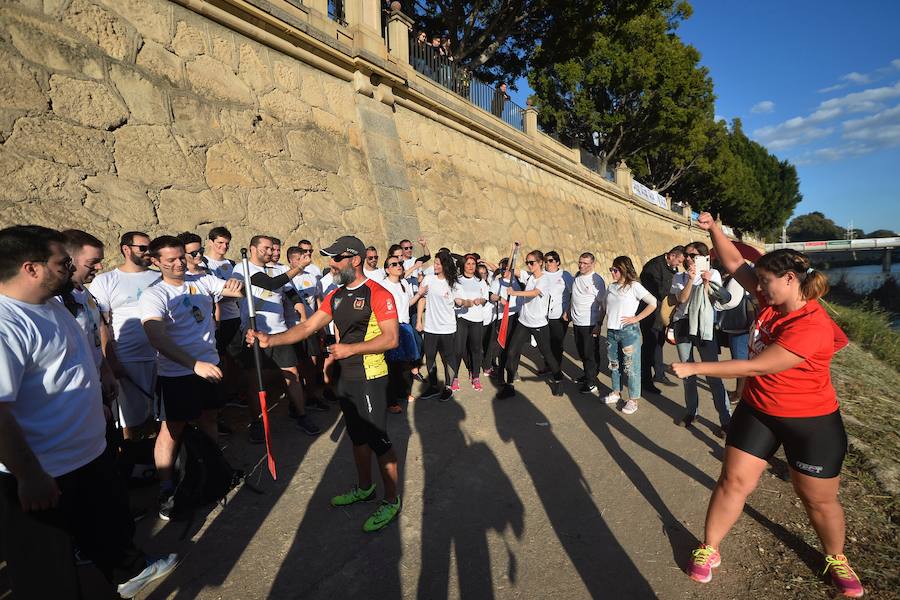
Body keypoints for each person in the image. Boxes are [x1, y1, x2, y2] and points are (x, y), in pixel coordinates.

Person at [673, 212, 864, 598]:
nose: (757, 288)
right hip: (759, 411)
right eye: (758, 282)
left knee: (817, 499)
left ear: (790, 279)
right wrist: (713, 229)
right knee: (733, 482)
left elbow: (757, 365)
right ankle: (710, 547)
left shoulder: (812, 324)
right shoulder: (771, 297)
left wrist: (695, 367)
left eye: (764, 282)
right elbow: (734, 262)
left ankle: (836, 557)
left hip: (810, 421)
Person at [0, 225, 177, 599]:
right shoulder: (6, 324)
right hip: (42, 472)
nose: (71, 268)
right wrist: (28, 475)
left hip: (87, 455)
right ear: (31, 268)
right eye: (62, 263)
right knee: (47, 569)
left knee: (109, 527)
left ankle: (129, 573)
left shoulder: (52, 303)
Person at [246, 235, 403, 533]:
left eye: (337, 258)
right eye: (330, 258)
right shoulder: (336, 295)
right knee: (357, 438)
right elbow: (307, 326)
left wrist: (349, 349)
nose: (331, 263)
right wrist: (270, 340)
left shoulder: (378, 293)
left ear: (354, 260)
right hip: (347, 378)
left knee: (378, 441)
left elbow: (391, 338)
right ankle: (365, 488)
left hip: (371, 377)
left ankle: (391, 500)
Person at [139, 236, 243, 520]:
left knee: (210, 418)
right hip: (178, 374)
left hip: (209, 366)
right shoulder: (154, 294)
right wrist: (194, 364)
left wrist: (237, 286)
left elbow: (234, 292)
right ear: (155, 262)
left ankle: (213, 471)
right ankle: (166, 487)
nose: (178, 264)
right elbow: (156, 336)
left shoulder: (202, 281)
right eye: (170, 260)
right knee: (172, 429)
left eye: (181, 257)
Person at [230, 235, 320, 440]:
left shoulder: (279, 269)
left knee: (293, 375)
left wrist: (302, 315)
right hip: (254, 333)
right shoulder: (242, 268)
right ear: (253, 248)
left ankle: (301, 414)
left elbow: (291, 294)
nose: (271, 252)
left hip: (280, 332)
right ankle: (257, 423)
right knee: (255, 381)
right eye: (266, 248)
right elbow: (270, 284)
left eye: (272, 248)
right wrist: (299, 267)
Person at [90, 231, 161, 440]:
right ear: (126, 249)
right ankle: (132, 456)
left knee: (161, 417)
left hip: (162, 358)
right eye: (143, 248)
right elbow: (101, 324)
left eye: (150, 248)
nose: (148, 252)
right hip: (128, 359)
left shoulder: (159, 278)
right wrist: (111, 362)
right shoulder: (106, 280)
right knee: (130, 421)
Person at [670, 241, 732, 436]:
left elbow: (722, 298)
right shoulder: (679, 276)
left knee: (713, 373)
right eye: (687, 255)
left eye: (693, 255)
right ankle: (691, 412)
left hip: (704, 327)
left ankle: (726, 419)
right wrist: (690, 280)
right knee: (687, 373)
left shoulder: (713, 274)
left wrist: (707, 283)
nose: (689, 258)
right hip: (682, 324)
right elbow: (681, 299)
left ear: (704, 257)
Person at [58, 229, 118, 404]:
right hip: (75, 392)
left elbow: (94, 334)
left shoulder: (84, 291)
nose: (99, 267)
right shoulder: (57, 300)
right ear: (69, 261)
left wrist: (106, 371)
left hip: (95, 382)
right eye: (93, 262)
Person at [496, 250, 565, 399]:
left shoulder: (545, 279)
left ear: (540, 263)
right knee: (511, 352)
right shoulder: (528, 276)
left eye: (532, 262)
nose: (529, 265)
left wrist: (515, 293)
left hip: (538, 324)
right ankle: (509, 386)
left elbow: (534, 292)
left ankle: (559, 379)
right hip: (523, 322)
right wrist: (514, 250)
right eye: (527, 262)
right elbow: (510, 268)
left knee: (547, 354)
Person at [602, 256, 657, 414]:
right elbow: (605, 306)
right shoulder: (611, 287)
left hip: (629, 332)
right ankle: (616, 392)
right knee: (614, 364)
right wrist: (599, 323)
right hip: (612, 331)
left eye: (616, 270)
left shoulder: (634, 286)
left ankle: (633, 399)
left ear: (624, 270)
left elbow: (653, 302)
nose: (613, 272)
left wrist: (636, 318)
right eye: (611, 269)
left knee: (631, 366)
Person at [380, 254, 426, 413]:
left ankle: (402, 392)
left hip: (405, 327)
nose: (398, 265)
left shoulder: (404, 283)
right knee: (391, 365)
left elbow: (407, 304)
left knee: (404, 363)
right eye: (394, 264)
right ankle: (390, 401)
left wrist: (419, 294)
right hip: (391, 327)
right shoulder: (383, 286)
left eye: (399, 263)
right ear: (387, 270)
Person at [417, 251, 463, 401]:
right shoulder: (429, 279)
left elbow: (460, 301)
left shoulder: (454, 284)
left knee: (448, 358)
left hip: (447, 328)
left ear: (445, 265)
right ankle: (434, 386)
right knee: (430, 357)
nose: (435, 266)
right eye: (435, 263)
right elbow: (422, 299)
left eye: (438, 263)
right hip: (431, 327)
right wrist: (419, 320)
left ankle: (448, 387)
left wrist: (461, 302)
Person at [639, 246, 684, 393]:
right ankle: (644, 380)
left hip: (663, 312)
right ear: (671, 255)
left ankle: (659, 374)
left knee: (659, 342)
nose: (679, 265)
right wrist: (675, 293)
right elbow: (655, 291)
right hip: (650, 312)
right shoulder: (653, 267)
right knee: (649, 345)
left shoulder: (672, 268)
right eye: (679, 261)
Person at [452, 254, 490, 391]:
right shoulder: (457, 281)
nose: (471, 266)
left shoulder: (480, 281)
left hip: (477, 319)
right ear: (463, 265)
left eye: (473, 264)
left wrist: (481, 300)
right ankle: (454, 377)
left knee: (476, 349)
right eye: (468, 264)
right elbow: (454, 299)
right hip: (462, 318)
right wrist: (462, 302)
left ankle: (475, 376)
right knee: (458, 350)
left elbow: (485, 298)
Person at [569, 252, 606, 394]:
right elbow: (574, 296)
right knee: (582, 352)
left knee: (590, 353)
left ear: (592, 264)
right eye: (580, 262)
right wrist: (568, 311)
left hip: (590, 323)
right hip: (577, 322)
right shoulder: (577, 276)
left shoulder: (597, 280)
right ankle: (588, 375)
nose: (581, 265)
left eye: (585, 263)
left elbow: (603, 305)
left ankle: (592, 382)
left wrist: (598, 324)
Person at [543, 250, 574, 372]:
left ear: (557, 262)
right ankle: (548, 366)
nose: (548, 263)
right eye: (546, 261)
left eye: (551, 260)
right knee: (545, 343)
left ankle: (556, 368)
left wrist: (568, 310)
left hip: (560, 315)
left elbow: (573, 294)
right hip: (544, 316)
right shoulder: (541, 274)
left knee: (557, 343)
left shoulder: (565, 275)